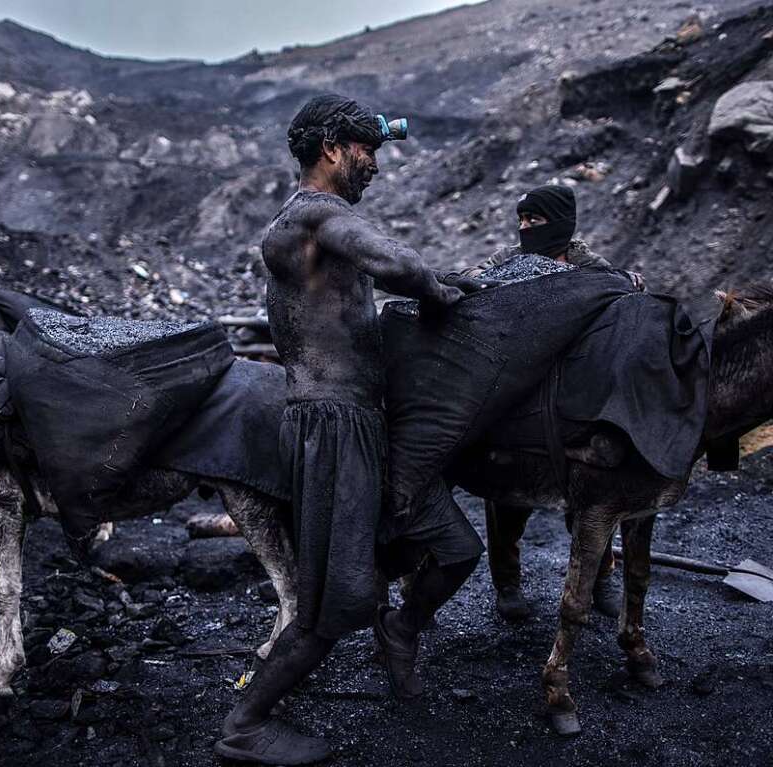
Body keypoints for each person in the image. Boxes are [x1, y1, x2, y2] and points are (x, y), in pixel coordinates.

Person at [215, 94, 484, 765]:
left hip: (365, 423)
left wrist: (442, 279)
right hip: (333, 428)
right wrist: (438, 288)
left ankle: (397, 630)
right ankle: (244, 723)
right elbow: (395, 263)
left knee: (454, 546)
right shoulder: (313, 215)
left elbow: (364, 291)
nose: (375, 166)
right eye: (369, 151)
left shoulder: (318, 227)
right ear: (334, 148)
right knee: (331, 603)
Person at [461, 184, 642, 621]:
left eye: (534, 221)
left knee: (590, 492)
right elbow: (471, 280)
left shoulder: (589, 265)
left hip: (573, 390)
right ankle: (507, 584)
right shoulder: (510, 259)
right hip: (519, 384)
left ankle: (600, 578)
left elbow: (626, 294)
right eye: (521, 220)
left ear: (560, 222)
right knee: (506, 486)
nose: (525, 228)